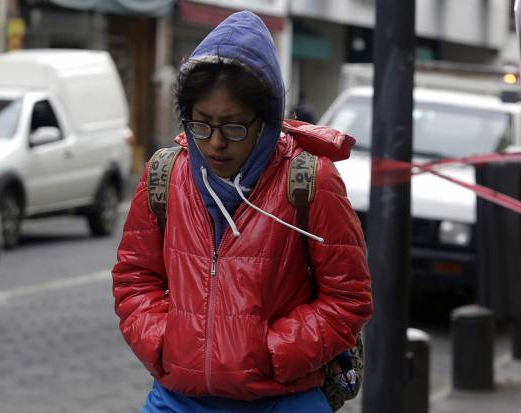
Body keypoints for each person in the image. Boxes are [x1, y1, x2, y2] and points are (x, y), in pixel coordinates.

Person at [112, 10, 373, 413]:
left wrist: (273, 352)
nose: (215, 143)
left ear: (265, 122)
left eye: (234, 127)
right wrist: (163, 341)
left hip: (283, 398)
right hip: (180, 398)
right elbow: (135, 277)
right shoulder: (164, 174)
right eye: (202, 124)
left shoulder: (310, 180)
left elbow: (348, 298)